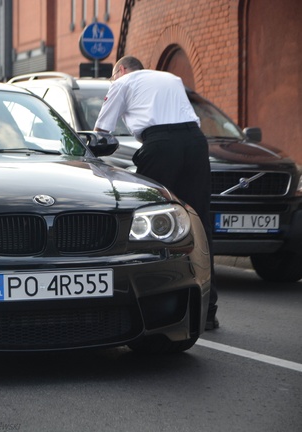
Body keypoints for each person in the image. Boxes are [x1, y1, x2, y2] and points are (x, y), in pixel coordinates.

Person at [94, 55, 219, 330]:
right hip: (196, 144)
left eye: (113, 76)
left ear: (122, 70)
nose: (113, 81)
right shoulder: (170, 78)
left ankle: (152, 301)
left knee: (148, 220)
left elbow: (101, 132)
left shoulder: (122, 82)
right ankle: (208, 310)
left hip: (162, 145)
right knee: (199, 221)